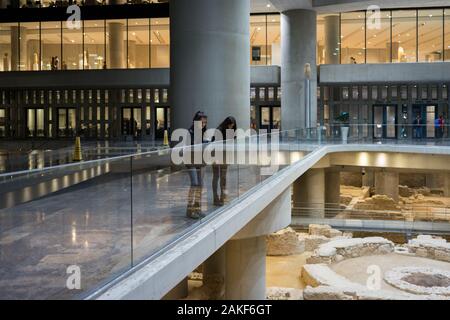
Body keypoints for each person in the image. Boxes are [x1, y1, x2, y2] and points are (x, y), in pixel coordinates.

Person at [186, 111, 208, 219]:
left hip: (200, 160)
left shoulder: (202, 132)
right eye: (201, 122)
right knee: (194, 184)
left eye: (204, 123)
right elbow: (188, 147)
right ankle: (189, 210)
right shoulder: (189, 132)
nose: (203, 125)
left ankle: (197, 208)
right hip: (191, 160)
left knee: (200, 185)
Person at [212, 116, 237, 206]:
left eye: (232, 126)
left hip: (225, 156)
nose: (231, 127)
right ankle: (215, 198)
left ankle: (223, 196)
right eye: (230, 125)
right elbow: (214, 144)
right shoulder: (219, 130)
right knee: (216, 176)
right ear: (226, 124)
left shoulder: (231, 131)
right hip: (216, 155)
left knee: (223, 176)